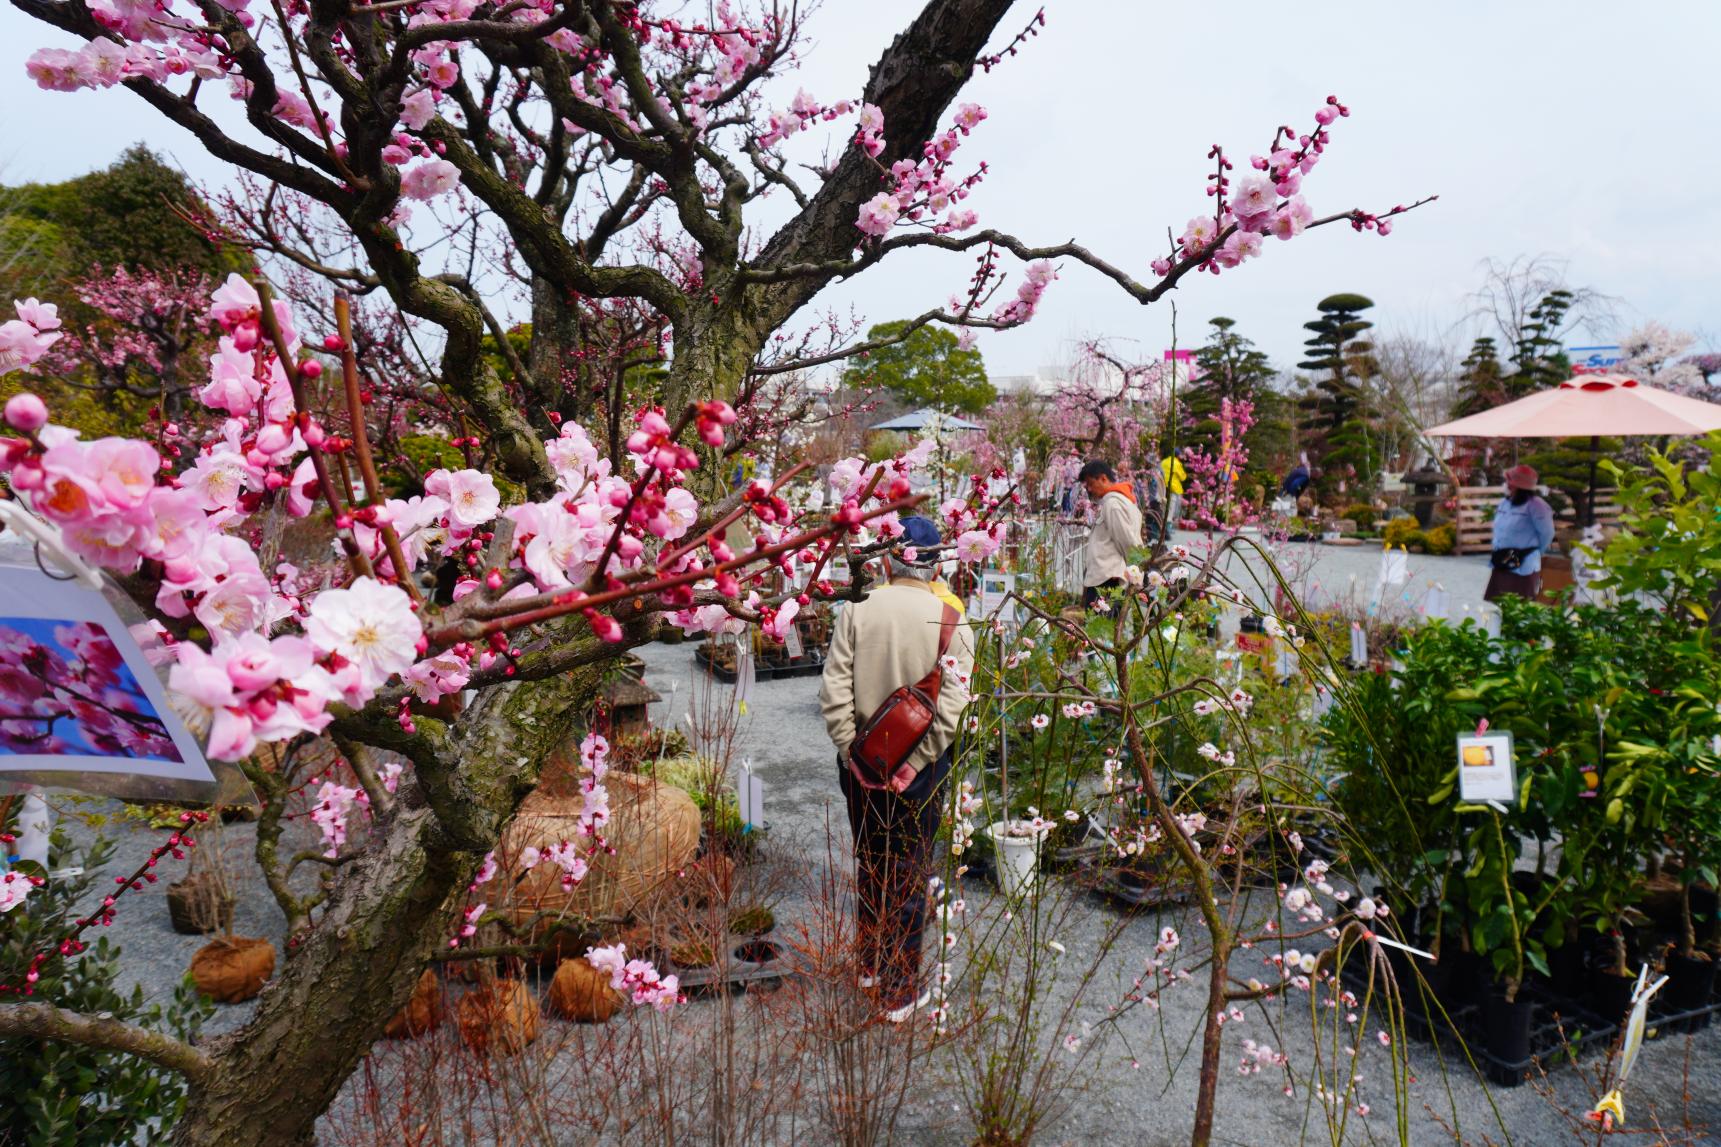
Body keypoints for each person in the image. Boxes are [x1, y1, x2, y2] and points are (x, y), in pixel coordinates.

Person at [819, 516, 975, 1022]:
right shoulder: (952, 621)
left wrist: (852, 752)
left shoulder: (858, 609)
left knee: (872, 862)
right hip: (921, 773)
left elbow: (834, 690)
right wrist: (919, 760)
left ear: (888, 558)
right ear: (936, 566)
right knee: (909, 872)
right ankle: (899, 989)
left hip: (862, 763)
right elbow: (953, 703)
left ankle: (868, 963)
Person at [1076, 459, 1144, 608]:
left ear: (1103, 478)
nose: (1090, 490)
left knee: (1099, 628)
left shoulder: (1113, 505)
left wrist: (1137, 578)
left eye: (1091, 484)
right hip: (1106, 579)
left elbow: (1128, 543)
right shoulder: (1120, 501)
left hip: (1107, 581)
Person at [1484, 464, 1555, 602]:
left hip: (1524, 564)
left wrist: (1536, 552)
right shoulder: (1505, 503)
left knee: (1521, 604)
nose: (1506, 484)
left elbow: (1547, 533)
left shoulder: (1537, 505)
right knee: (1500, 603)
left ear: (1516, 484)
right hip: (1502, 560)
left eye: (1508, 481)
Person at [1160, 449, 1187, 532]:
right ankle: (1168, 527)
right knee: (1172, 508)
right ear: (1178, 455)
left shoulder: (1163, 462)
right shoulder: (1177, 463)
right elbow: (1183, 477)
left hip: (1163, 487)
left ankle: (1162, 524)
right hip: (1174, 488)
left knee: (1164, 506)